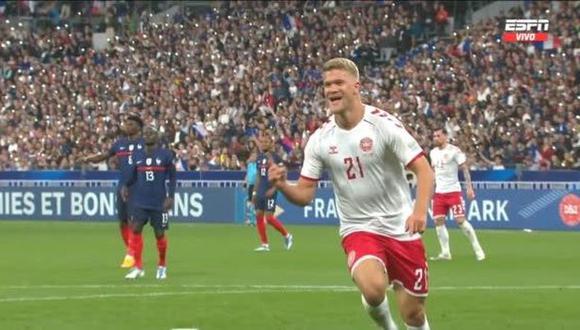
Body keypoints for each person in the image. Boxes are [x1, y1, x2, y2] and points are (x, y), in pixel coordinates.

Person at [268, 58, 434, 330]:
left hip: (401, 227)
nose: (331, 89)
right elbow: (305, 195)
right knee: (373, 288)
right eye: (326, 84)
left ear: (356, 86)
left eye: (338, 83)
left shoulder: (384, 126)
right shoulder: (320, 140)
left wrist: (418, 211)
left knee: (413, 314)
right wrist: (285, 185)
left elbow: (423, 170)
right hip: (359, 227)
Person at [81, 113, 144, 268]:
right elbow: (105, 156)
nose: (127, 126)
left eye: (130, 124)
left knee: (135, 223)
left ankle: (131, 255)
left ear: (138, 127)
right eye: (126, 124)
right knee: (122, 222)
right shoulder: (119, 143)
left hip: (139, 186)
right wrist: (89, 159)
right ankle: (131, 253)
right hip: (122, 186)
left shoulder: (145, 143)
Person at [121, 126, 176, 280]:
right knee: (136, 229)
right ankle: (138, 267)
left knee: (159, 234)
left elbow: (172, 177)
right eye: (146, 134)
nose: (149, 136)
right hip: (140, 201)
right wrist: (125, 186)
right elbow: (132, 176)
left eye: (152, 133)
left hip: (159, 202)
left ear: (157, 137)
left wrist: (170, 196)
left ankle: (162, 265)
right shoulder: (138, 155)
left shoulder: (165, 155)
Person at [429, 128, 486, 261]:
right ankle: (445, 252)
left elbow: (464, 168)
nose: (435, 138)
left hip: (453, 191)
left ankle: (478, 250)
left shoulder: (454, 151)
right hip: (439, 193)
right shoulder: (433, 153)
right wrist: (431, 190)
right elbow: (433, 172)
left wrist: (469, 188)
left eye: (438, 136)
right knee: (438, 221)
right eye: (434, 136)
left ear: (445, 136)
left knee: (460, 220)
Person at [252, 130, 293, 252]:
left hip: (271, 189)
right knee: (258, 215)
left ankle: (287, 235)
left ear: (271, 144)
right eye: (262, 142)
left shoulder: (275, 157)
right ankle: (265, 244)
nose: (264, 144)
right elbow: (259, 176)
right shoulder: (259, 157)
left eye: (266, 142)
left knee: (269, 218)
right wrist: (254, 192)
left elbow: (283, 173)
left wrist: (275, 188)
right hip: (260, 190)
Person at [244, 152, 258, 226]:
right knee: (249, 203)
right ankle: (251, 219)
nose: (252, 158)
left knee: (254, 202)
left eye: (254, 156)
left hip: (256, 186)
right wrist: (245, 184)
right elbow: (247, 174)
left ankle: (255, 220)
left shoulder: (258, 165)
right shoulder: (249, 165)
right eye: (252, 156)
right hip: (250, 185)